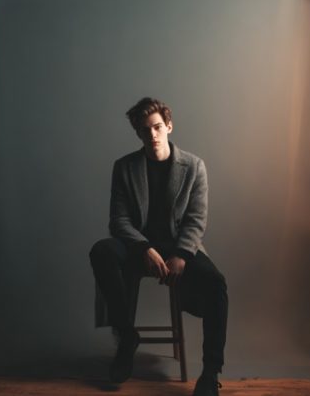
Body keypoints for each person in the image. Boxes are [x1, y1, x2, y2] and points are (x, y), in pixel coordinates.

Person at [89, 97, 228, 396]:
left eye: (156, 127)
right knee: (101, 251)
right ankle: (127, 337)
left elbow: (196, 219)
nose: (152, 135)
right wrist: (143, 248)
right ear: (138, 134)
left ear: (169, 126)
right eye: (144, 130)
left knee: (217, 284)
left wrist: (181, 255)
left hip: (180, 247)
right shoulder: (125, 167)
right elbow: (119, 221)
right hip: (140, 248)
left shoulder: (193, 166)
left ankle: (210, 373)